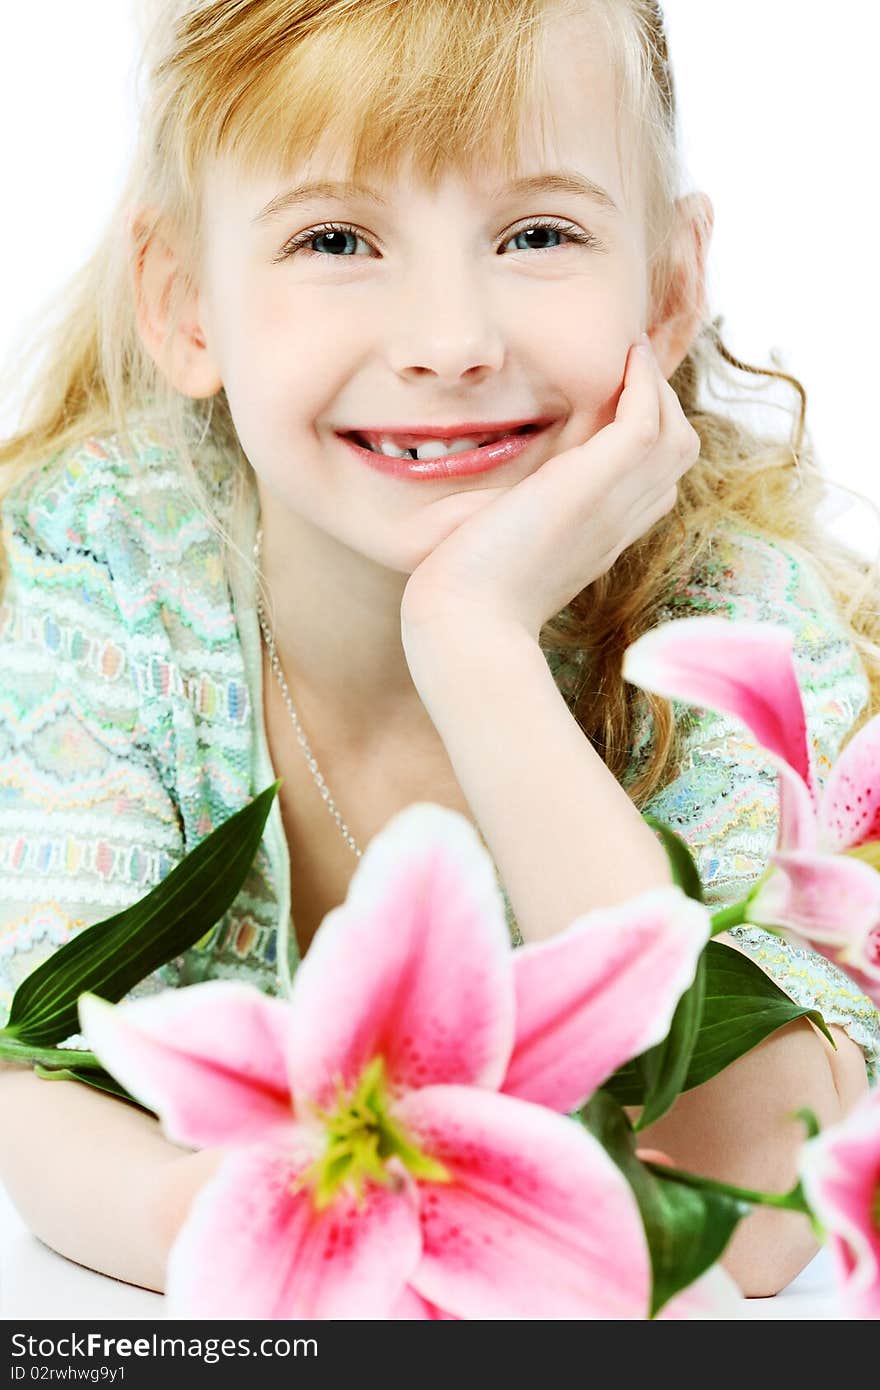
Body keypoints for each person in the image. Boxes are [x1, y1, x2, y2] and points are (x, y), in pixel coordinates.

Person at [0, 0, 877, 1306]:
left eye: (539, 233)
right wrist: (286, 1255)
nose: (451, 342)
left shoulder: (737, 626)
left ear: (672, 286)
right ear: (186, 306)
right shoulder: (99, 577)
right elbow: (36, 1077)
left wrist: (475, 640)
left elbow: (741, 1195)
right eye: (336, 237)